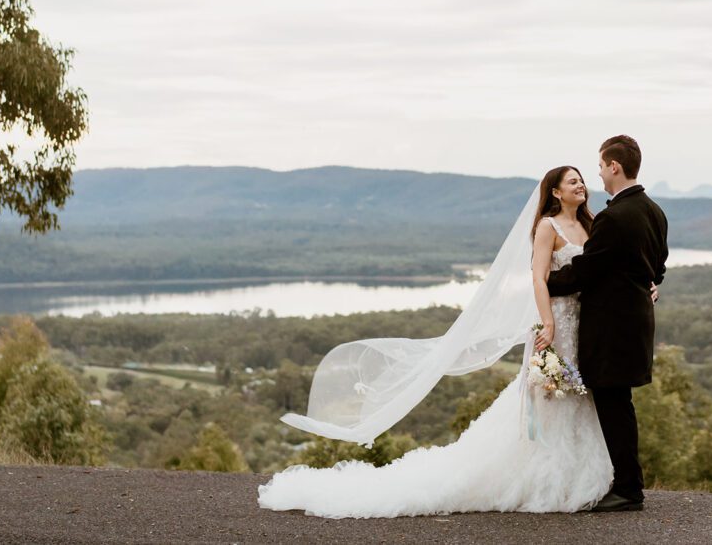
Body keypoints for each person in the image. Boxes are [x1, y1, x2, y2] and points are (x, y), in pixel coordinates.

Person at [257, 160, 660, 517]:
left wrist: (647, 283)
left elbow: (609, 265)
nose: (581, 185)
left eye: (583, 180)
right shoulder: (546, 227)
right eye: (572, 181)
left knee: (584, 401)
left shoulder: (594, 223)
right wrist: (547, 323)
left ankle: (591, 478)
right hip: (558, 320)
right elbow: (538, 277)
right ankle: (549, 477)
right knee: (550, 398)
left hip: (588, 326)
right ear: (554, 191)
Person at [547, 135, 669, 512]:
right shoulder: (653, 210)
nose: (598, 173)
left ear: (614, 167)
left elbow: (585, 271)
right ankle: (624, 482)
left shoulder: (615, 217)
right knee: (620, 403)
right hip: (636, 322)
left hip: (613, 327)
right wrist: (648, 286)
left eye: (600, 166)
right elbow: (657, 267)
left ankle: (629, 489)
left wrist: (544, 283)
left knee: (615, 405)